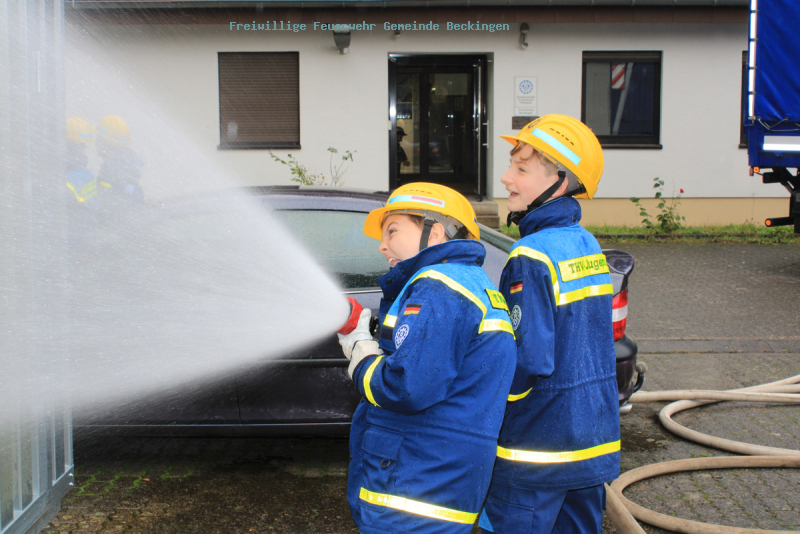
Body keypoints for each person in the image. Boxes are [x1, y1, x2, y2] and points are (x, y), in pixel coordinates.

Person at [337, 183, 517, 534]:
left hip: (416, 480)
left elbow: (407, 388)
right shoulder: (474, 284)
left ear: (435, 233)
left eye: (392, 230)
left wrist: (360, 351)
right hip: (444, 476)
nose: (382, 245)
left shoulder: (438, 286)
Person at [478, 115, 620, 534]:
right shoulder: (586, 243)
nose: (506, 178)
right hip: (589, 443)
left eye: (522, 169)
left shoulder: (532, 255)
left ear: (561, 181)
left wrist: (481, 399)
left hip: (536, 454)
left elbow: (527, 361)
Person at [95, 115, 145, 218]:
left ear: (106, 142)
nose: (95, 142)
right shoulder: (121, 166)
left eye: (98, 138)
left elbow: (112, 214)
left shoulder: (117, 173)